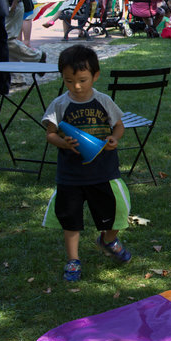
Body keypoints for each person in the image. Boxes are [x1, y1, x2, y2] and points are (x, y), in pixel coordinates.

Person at [41, 45, 132, 281]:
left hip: (103, 170)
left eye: (82, 80)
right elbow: (50, 133)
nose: (77, 86)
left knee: (117, 211)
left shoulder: (103, 101)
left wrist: (114, 138)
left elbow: (119, 125)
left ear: (95, 76)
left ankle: (108, 239)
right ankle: (73, 260)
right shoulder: (60, 104)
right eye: (69, 81)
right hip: (71, 174)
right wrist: (63, 143)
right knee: (71, 219)